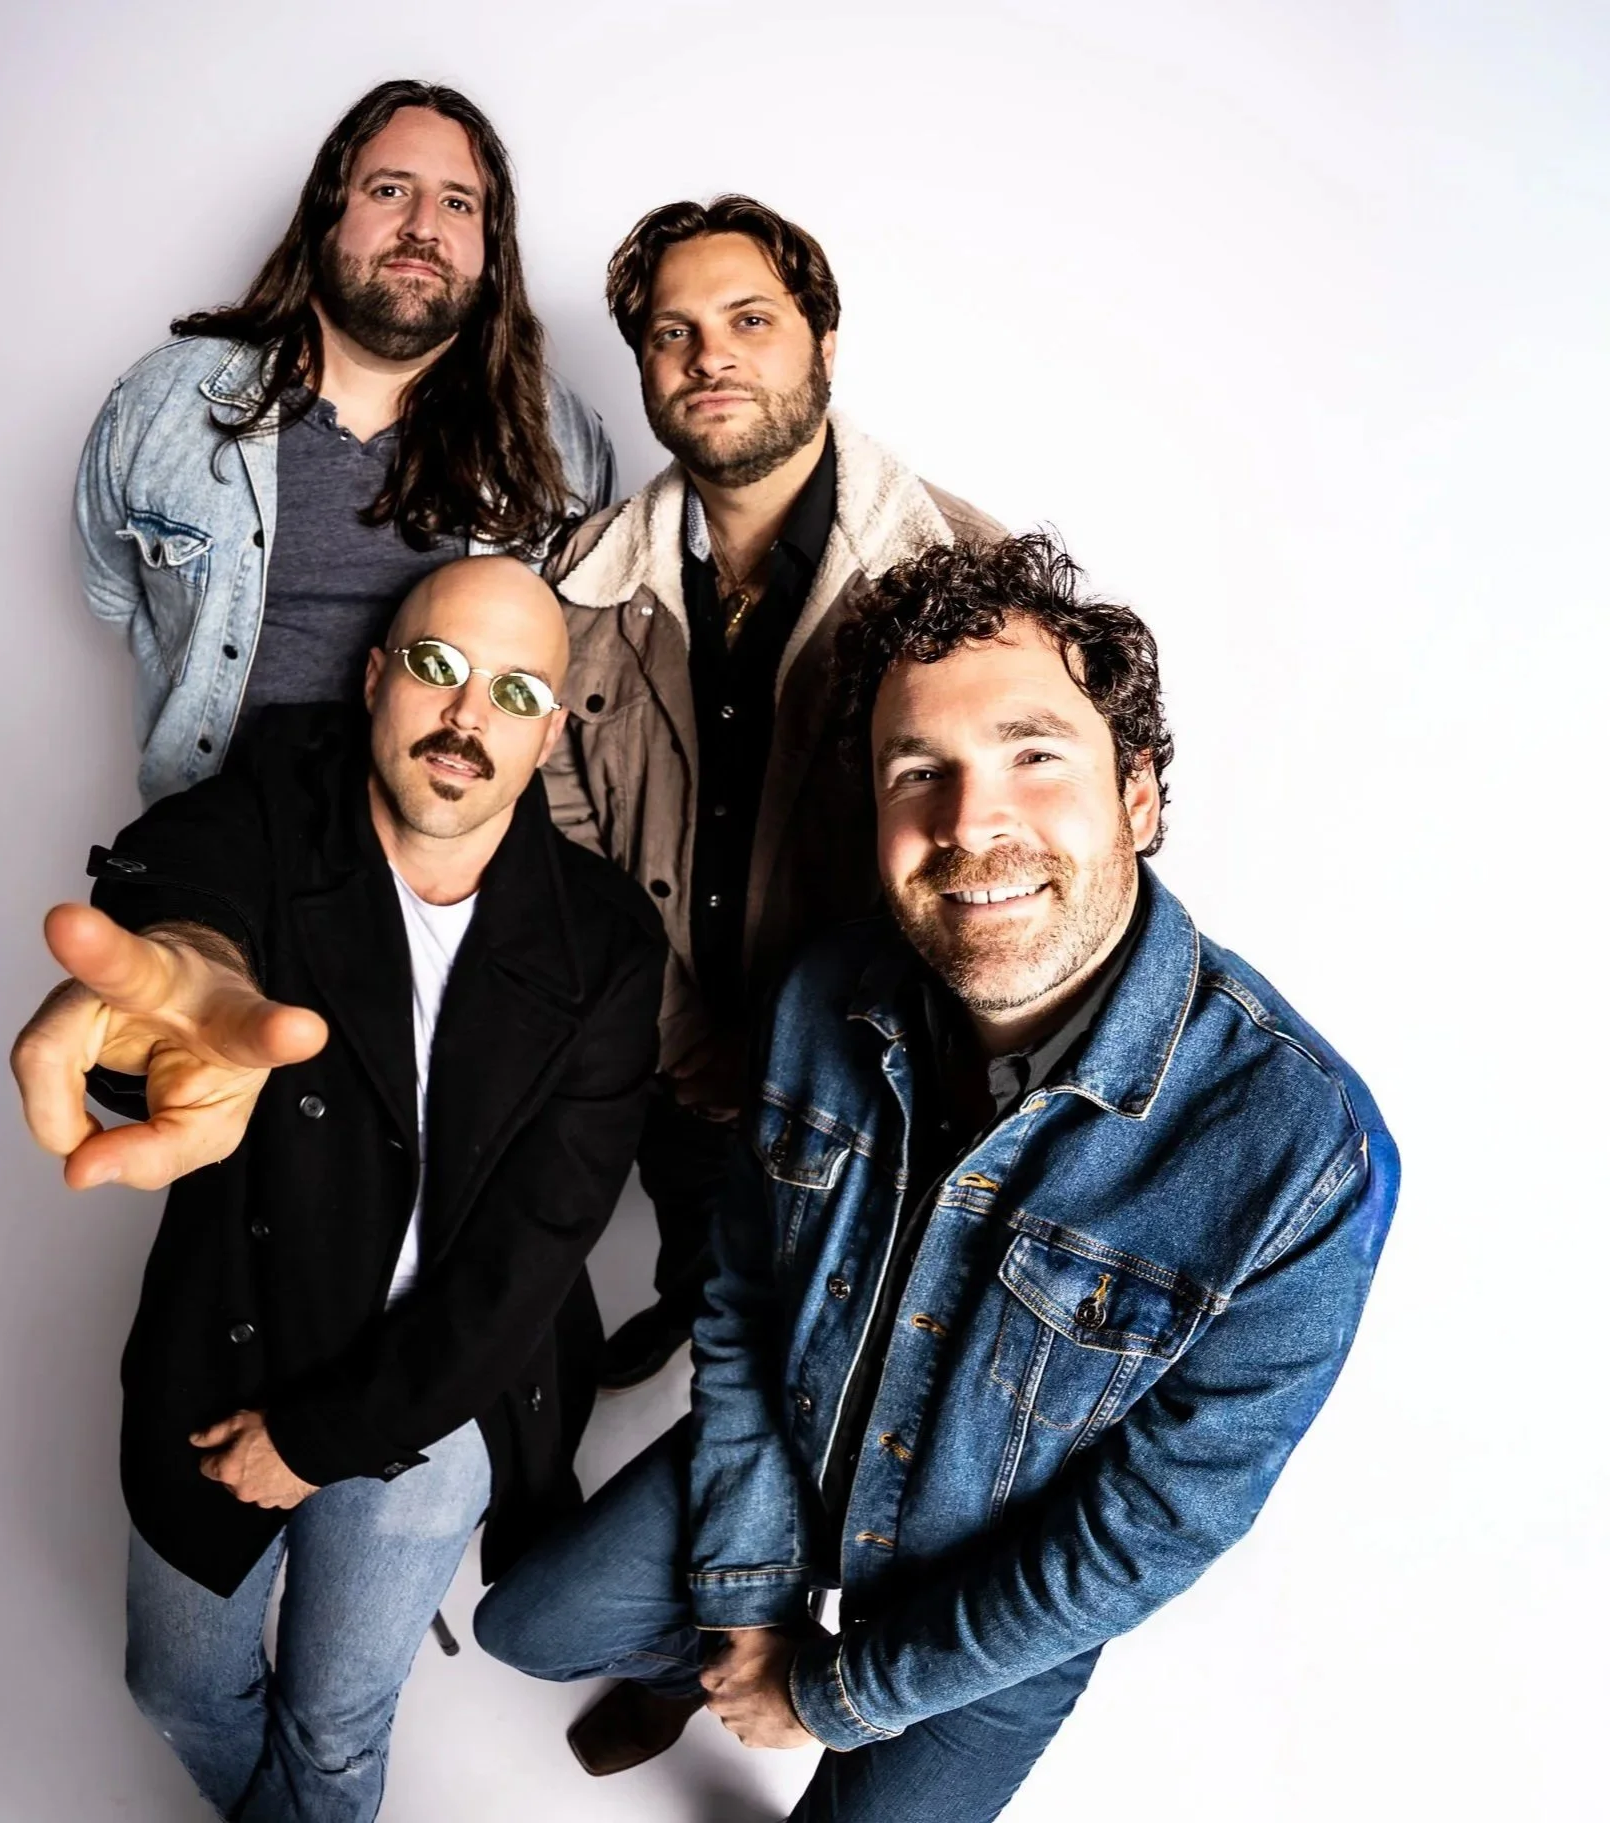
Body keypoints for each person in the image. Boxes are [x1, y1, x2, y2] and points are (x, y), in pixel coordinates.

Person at [477, 534, 1398, 1822]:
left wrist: (832, 1694)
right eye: (919, 771)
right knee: (528, 1624)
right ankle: (695, 1670)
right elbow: (742, 1298)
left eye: (1034, 755)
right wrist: (747, 1602)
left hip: (995, 1587)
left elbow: (1149, 1525)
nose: (970, 822)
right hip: (794, 1453)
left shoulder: (1300, 1149)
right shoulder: (820, 992)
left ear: (1137, 795)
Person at [10, 556, 664, 1821]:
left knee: (331, 1726)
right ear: (374, 679)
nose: (466, 715)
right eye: (437, 667)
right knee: (176, 1687)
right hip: (233, 1339)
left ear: (547, 735)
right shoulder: (264, 812)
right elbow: (181, 898)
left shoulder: (607, 940)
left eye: (514, 692)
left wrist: (319, 1442)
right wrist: (186, 968)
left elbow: (534, 1250)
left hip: (445, 1386)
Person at [544, 195, 1001, 1388]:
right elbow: (561, 832)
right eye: (673, 332)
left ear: (823, 344)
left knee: (836, 1373)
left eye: (749, 319)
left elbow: (989, 851)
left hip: (870, 1084)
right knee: (714, 1293)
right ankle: (689, 1298)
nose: (710, 356)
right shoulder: (582, 581)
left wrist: (798, 1048)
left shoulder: (963, 572)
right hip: (665, 1066)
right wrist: (682, 1036)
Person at [75, 80, 615, 805]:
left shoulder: (557, 435)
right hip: (215, 831)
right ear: (326, 214)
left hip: (448, 853)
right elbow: (115, 597)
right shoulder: (166, 404)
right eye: (390, 190)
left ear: (491, 249)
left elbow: (569, 658)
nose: (423, 227)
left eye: (458, 203)